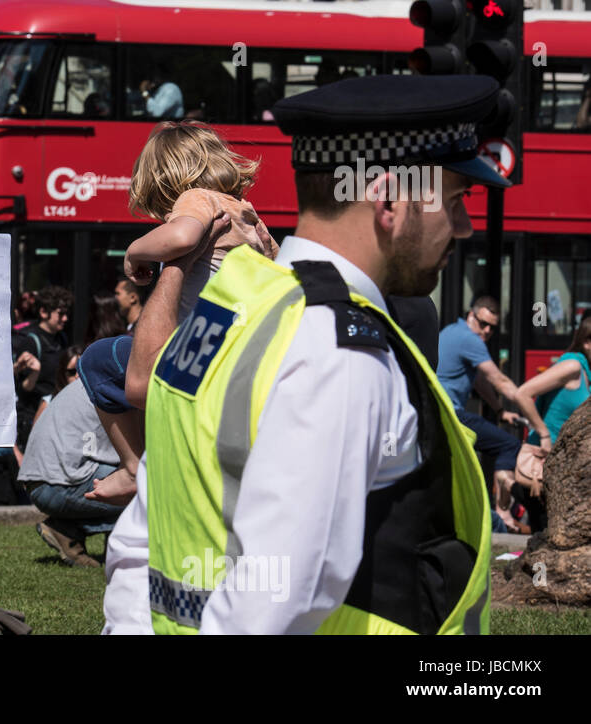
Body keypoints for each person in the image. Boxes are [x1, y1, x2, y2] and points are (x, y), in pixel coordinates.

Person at [117, 74, 507, 635]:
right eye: (453, 201)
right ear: (391, 201)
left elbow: (139, 540)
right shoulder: (338, 350)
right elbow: (274, 601)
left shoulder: (219, 316)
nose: (465, 227)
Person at [124, 120, 279, 322]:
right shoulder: (245, 211)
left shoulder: (196, 197)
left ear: (161, 180)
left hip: (201, 339)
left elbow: (182, 238)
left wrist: (133, 252)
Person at [436, 295, 551, 532]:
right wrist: (524, 401)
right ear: (471, 315)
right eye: (482, 323)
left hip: (440, 412)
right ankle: (504, 513)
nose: (487, 331)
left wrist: (500, 410)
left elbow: (479, 380)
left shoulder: (451, 331)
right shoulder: (470, 340)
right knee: (509, 445)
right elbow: (498, 379)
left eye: (492, 327)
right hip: (451, 413)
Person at [19, 377, 124, 568]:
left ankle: (67, 531)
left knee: (136, 479)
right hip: (56, 484)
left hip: (41, 481)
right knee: (141, 485)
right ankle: (122, 555)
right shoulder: (121, 385)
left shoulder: (100, 376)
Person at [12, 285, 72, 449]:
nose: (65, 319)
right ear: (44, 312)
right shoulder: (31, 342)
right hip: (34, 415)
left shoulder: (62, 338)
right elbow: (24, 388)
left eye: (66, 314)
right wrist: (34, 373)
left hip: (56, 411)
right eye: (60, 314)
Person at [517, 315, 591, 445]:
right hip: (546, 455)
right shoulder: (572, 366)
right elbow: (522, 393)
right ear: (586, 343)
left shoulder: (587, 371)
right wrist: (544, 435)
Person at [33, 344, 82, 425]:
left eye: (81, 370)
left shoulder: (97, 402)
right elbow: (36, 436)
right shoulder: (49, 403)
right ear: (63, 375)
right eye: (72, 372)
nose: (77, 376)